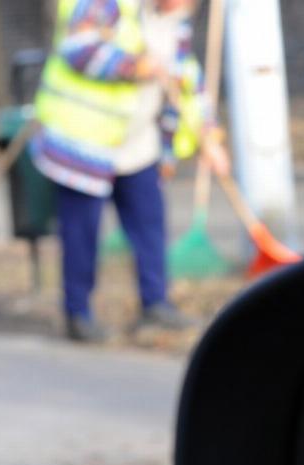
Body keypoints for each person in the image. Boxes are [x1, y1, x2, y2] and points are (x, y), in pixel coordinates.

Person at [30, 0, 230, 342]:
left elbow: (187, 80)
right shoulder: (105, 5)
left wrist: (208, 136)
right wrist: (133, 65)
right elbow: (77, 49)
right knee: (81, 233)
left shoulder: (175, 23)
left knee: (149, 224)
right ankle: (78, 315)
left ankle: (155, 305)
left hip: (138, 144)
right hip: (85, 142)